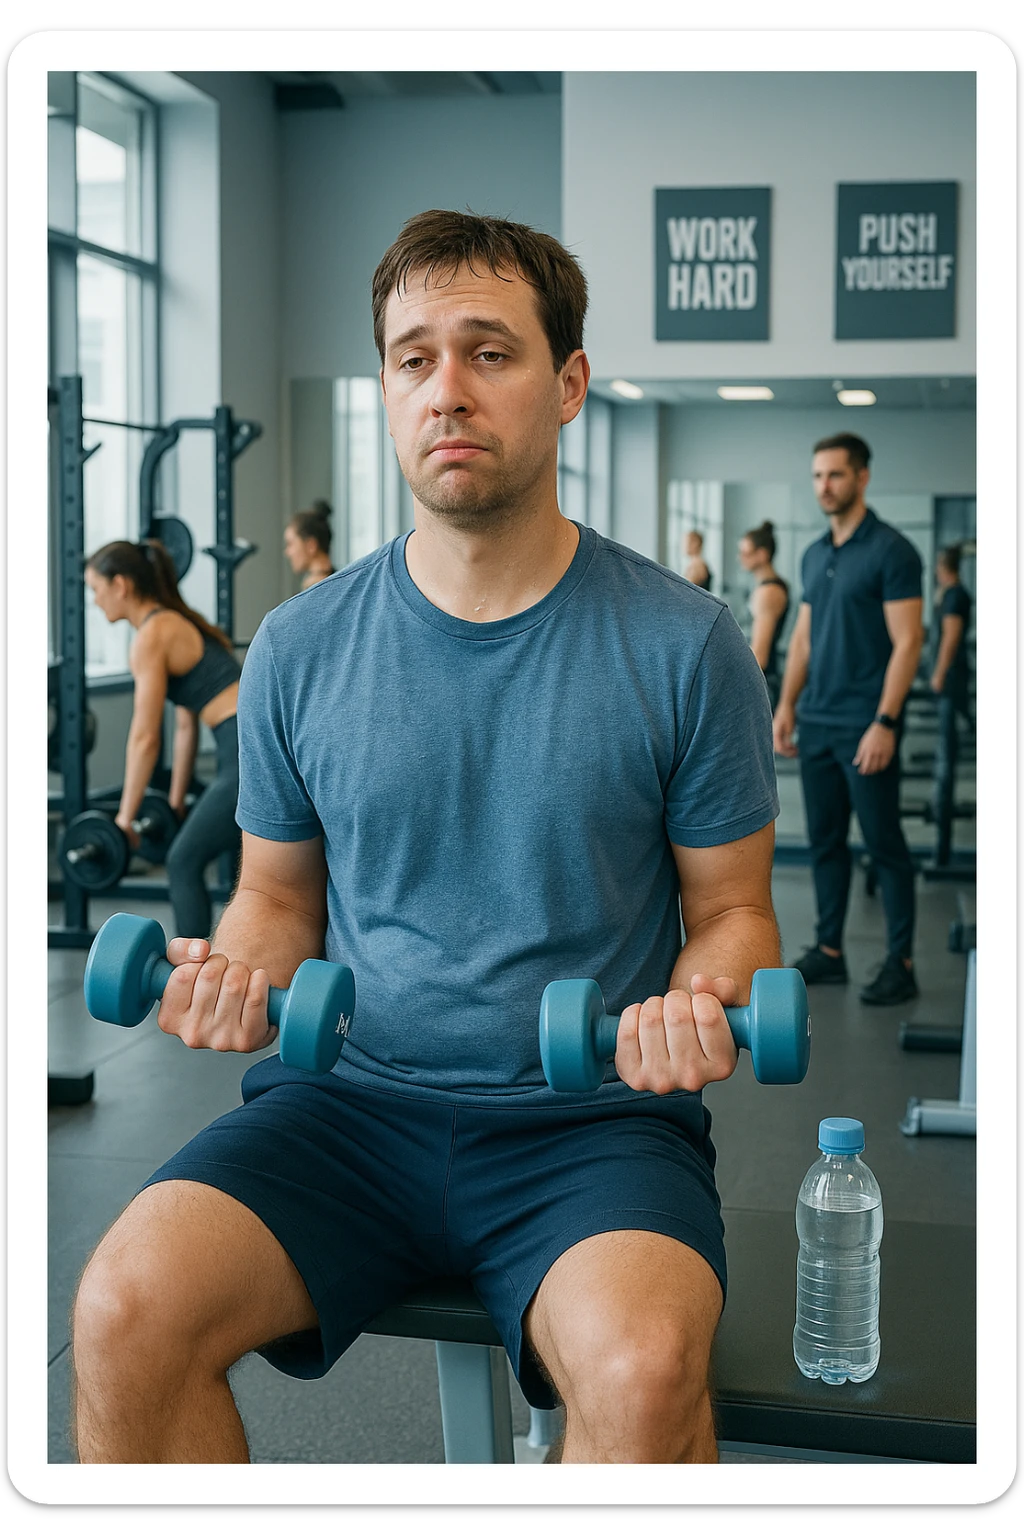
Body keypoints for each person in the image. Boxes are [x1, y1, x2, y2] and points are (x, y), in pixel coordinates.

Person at [71, 210, 781, 1466]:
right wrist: (240, 973)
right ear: (387, 388)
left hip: (591, 1124)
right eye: (412, 358)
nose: (445, 390)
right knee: (122, 1312)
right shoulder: (297, 645)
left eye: (487, 352)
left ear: (566, 385)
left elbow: (729, 909)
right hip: (344, 1105)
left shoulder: (683, 642)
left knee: (644, 1367)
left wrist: (701, 999)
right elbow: (278, 899)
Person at [772, 433, 924, 1006]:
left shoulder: (892, 551)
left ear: (861, 478)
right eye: (817, 476)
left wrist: (885, 721)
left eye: (835, 475)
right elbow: (805, 639)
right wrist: (786, 704)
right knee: (825, 841)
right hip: (818, 720)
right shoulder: (815, 553)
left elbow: (908, 643)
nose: (824, 487)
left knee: (884, 843)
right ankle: (829, 950)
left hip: (867, 724)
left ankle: (901, 961)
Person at [84, 539, 242, 942]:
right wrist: (173, 804)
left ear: (120, 585)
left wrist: (125, 818)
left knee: (184, 861)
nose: (95, 601)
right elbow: (185, 728)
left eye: (96, 589)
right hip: (244, 747)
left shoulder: (152, 636)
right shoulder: (169, 622)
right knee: (211, 856)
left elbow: (144, 737)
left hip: (244, 753)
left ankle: (189, 979)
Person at [928, 543, 973, 866]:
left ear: (942, 566)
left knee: (946, 759)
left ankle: (943, 852)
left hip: (953, 684)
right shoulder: (948, 594)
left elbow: (951, 635)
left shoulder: (955, 596)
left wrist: (940, 673)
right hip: (953, 683)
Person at [737, 521, 790, 709]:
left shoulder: (768, 592)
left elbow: (760, 655)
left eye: (745, 553)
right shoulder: (766, 587)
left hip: (763, 683)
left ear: (762, 555)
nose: (740, 558)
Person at [283, 501, 335, 588]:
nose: (287, 552)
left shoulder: (324, 589)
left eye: (290, 544)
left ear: (311, 546)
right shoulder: (338, 584)